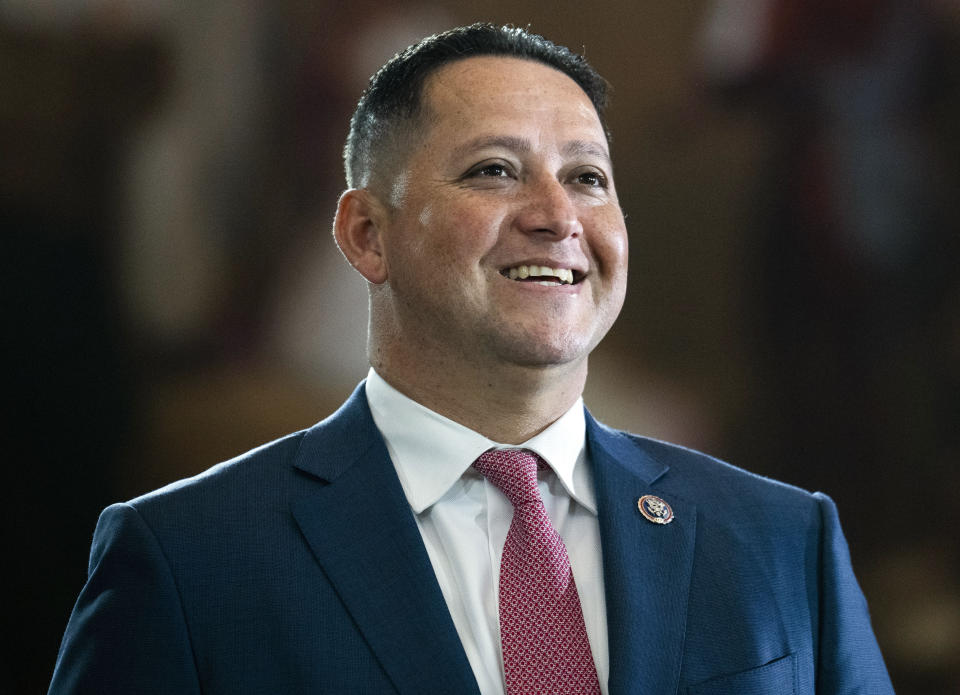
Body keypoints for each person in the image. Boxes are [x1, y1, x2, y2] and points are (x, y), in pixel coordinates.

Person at [49, 23, 894, 694]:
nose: (558, 215)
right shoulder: (186, 561)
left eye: (589, 177)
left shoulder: (784, 542)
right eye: (495, 171)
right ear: (366, 235)